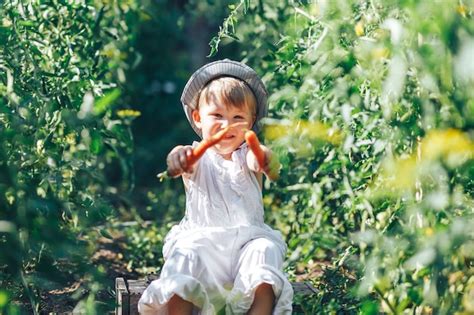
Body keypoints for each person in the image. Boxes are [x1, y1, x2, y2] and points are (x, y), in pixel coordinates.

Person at [138, 59, 293, 315]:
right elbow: (179, 159)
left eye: (237, 117)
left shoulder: (247, 155)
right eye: (217, 116)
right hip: (203, 243)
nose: (227, 125)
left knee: (265, 252)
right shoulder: (196, 156)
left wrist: (266, 158)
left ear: (251, 122)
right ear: (198, 118)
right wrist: (176, 159)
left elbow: (263, 160)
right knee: (185, 256)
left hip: (247, 243)